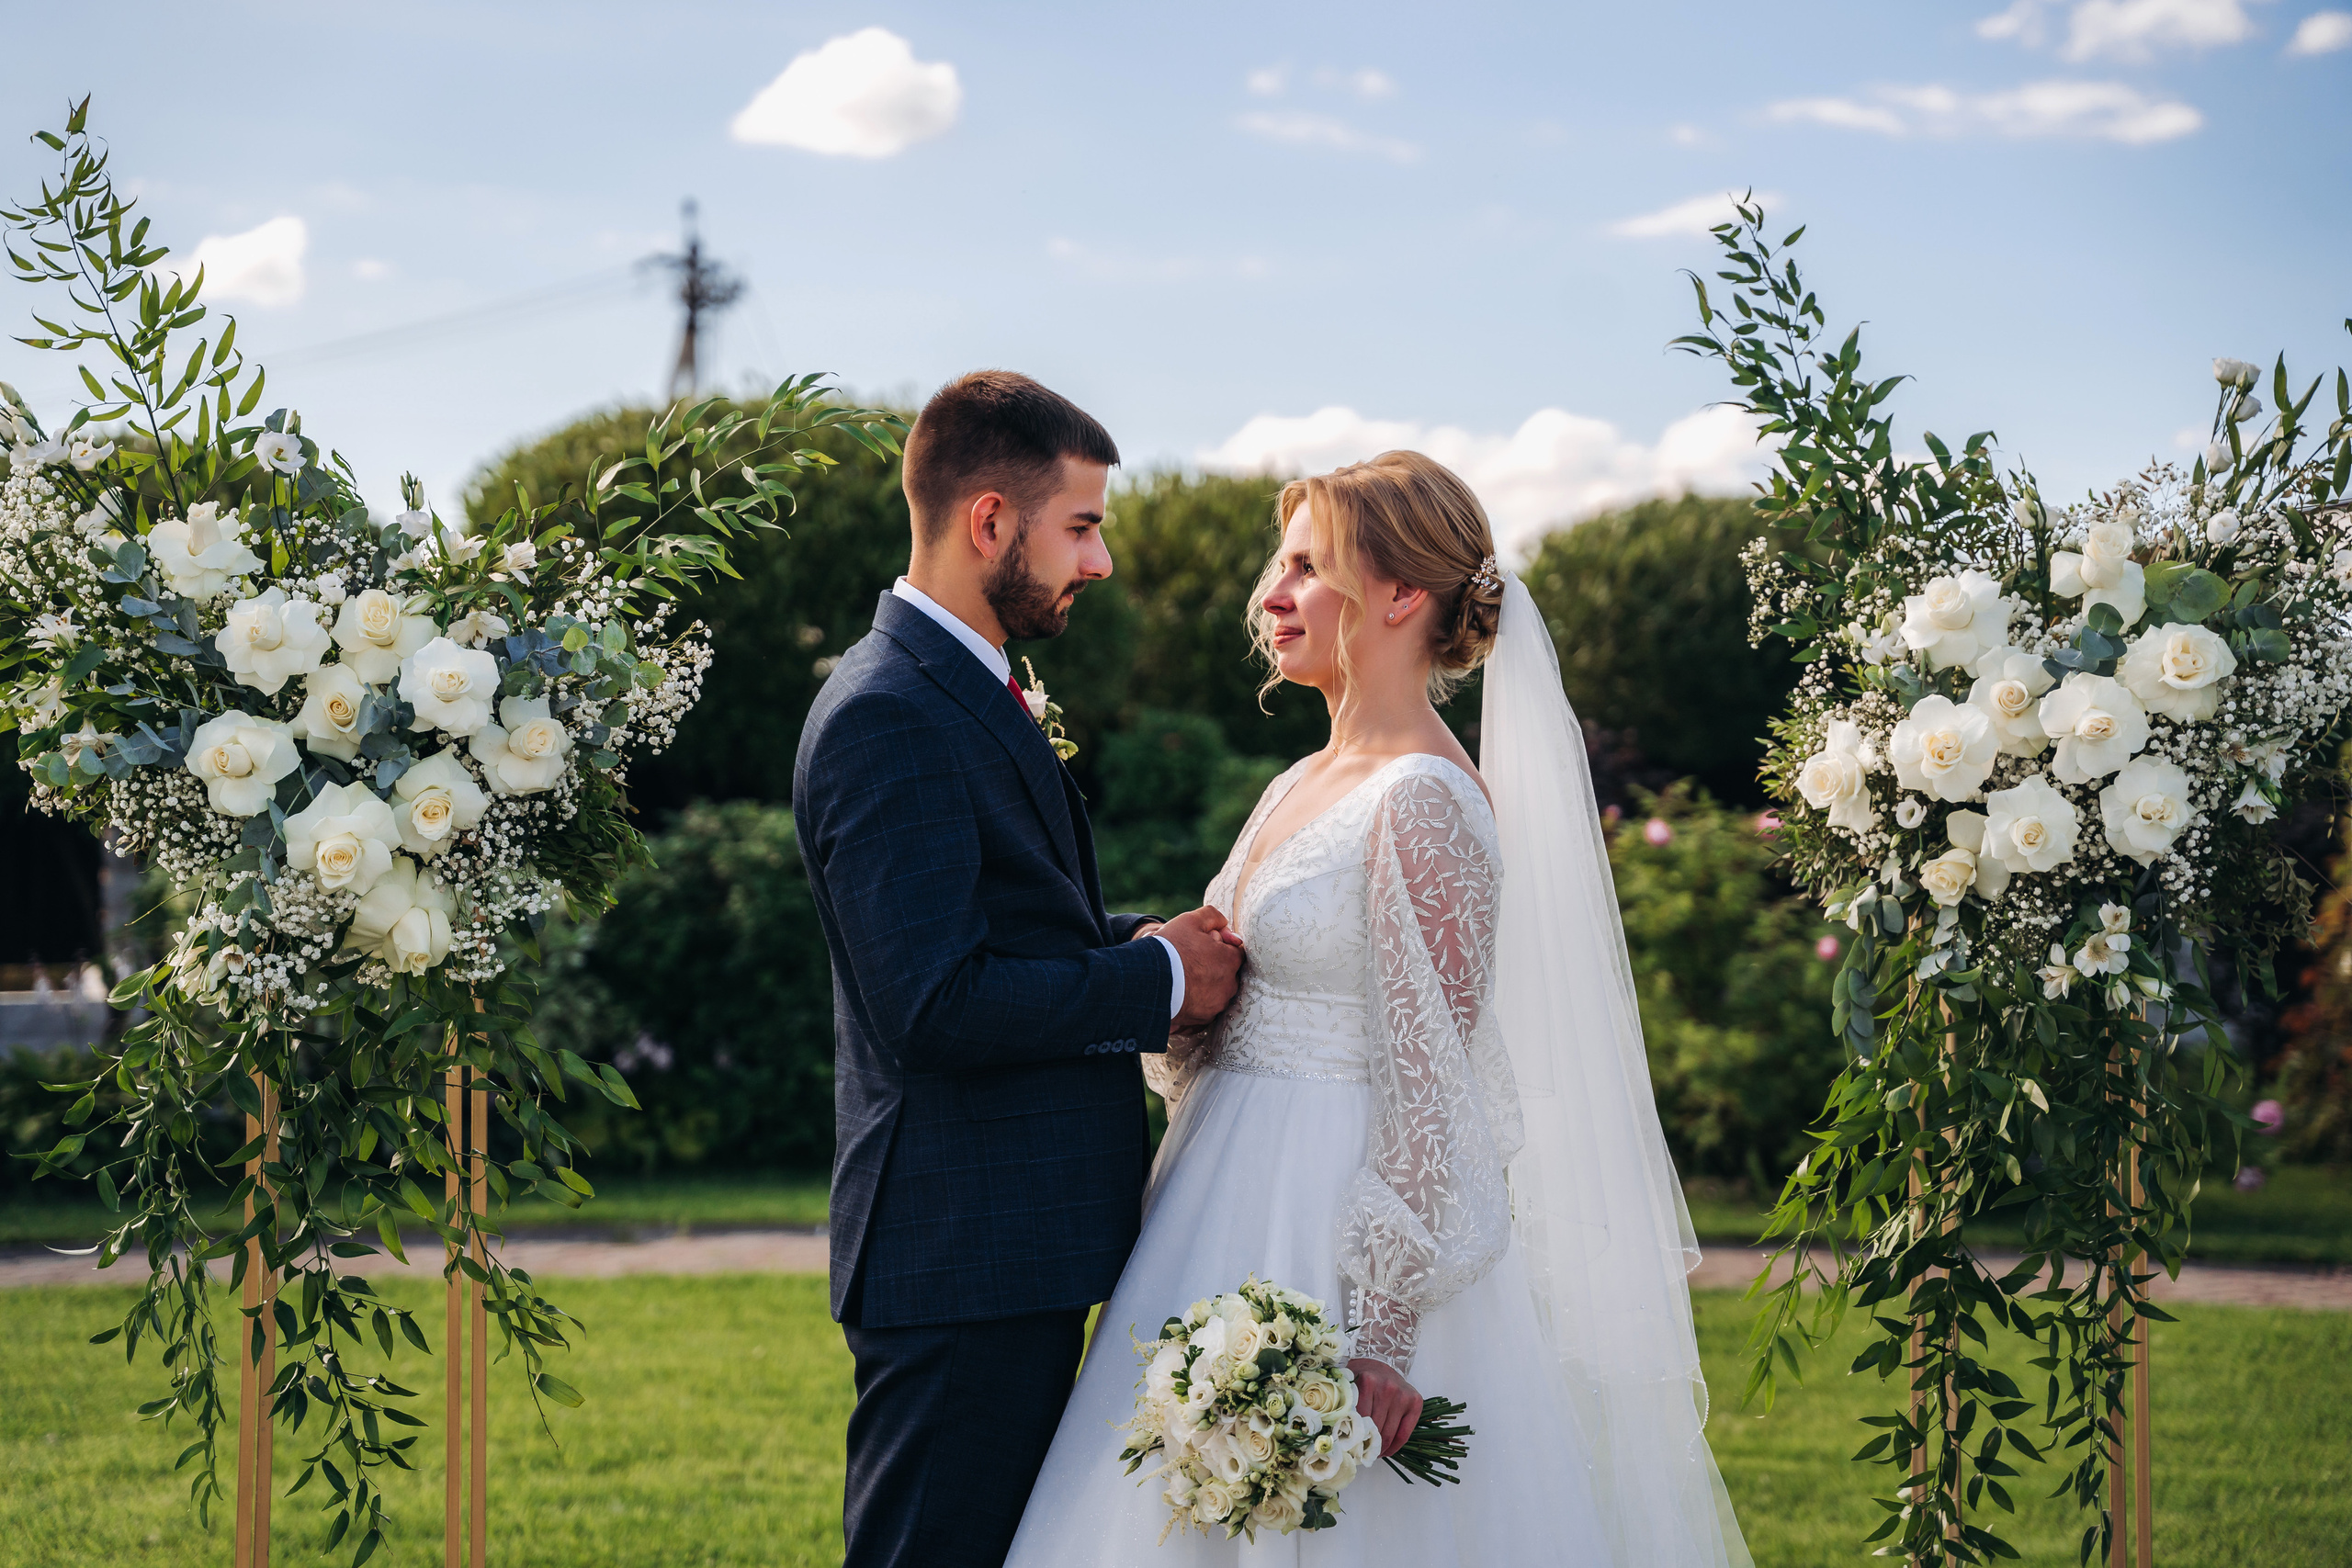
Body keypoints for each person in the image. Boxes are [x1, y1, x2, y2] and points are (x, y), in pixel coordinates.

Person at [1006, 451, 1751, 1566]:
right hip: (1214, 1196)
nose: (1269, 594)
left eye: (1306, 567)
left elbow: (1430, 1080)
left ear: (1401, 596)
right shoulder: (1294, 784)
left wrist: (1384, 1335)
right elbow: (1224, 1010)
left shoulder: (1429, 803)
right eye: (1278, 563)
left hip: (1339, 1237)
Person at [792, 370, 1246, 1568]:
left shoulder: (960, 686)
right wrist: (1153, 983)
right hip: (961, 1255)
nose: (1097, 562)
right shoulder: (888, 712)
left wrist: (1152, 940)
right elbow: (935, 1003)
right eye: (1081, 526)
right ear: (990, 519)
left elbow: (1011, 925)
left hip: (1010, 1242)